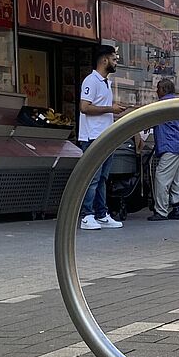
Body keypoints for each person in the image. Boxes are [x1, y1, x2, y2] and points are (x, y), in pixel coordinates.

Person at [77, 45, 129, 230]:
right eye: (114, 59)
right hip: (92, 137)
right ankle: (86, 215)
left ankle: (100, 214)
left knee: (103, 178)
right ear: (104, 60)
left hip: (105, 137)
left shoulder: (105, 82)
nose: (116, 62)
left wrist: (113, 108)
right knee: (92, 178)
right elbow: (84, 107)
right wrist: (110, 109)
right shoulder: (91, 81)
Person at [146, 78, 179, 221]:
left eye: (158, 88)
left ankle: (161, 211)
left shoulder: (162, 105)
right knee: (176, 179)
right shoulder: (177, 103)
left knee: (161, 177)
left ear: (164, 90)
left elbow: (147, 118)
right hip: (178, 145)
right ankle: (176, 209)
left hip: (169, 146)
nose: (156, 91)